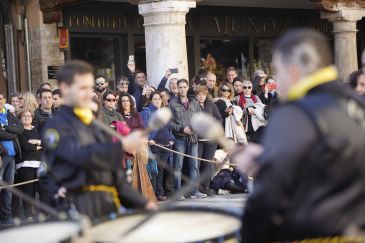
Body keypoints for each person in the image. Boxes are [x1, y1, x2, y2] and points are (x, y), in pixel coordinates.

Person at [236, 29, 365, 243]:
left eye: (278, 71)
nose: (277, 80)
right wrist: (267, 158)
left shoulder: (296, 113)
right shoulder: (358, 105)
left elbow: (269, 197)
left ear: (293, 71)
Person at [42, 60, 155, 221]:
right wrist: (122, 145)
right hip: (76, 211)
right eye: (83, 88)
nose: (89, 93)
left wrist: (143, 204)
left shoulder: (95, 125)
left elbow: (117, 178)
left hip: (109, 209)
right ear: (65, 88)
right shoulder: (55, 126)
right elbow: (77, 157)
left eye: (90, 87)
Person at [169, 79, 206, 200]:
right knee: (178, 166)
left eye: (184, 87)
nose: (182, 89)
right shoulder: (173, 103)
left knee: (194, 165)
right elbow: (169, 122)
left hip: (193, 138)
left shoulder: (194, 102)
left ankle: (195, 191)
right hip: (180, 138)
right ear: (177, 89)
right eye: (180, 87)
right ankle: (178, 192)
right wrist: (181, 129)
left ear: (188, 87)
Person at [141, 92, 175, 201]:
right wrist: (148, 139)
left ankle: (160, 193)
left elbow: (169, 129)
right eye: (154, 99)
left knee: (161, 170)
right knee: (154, 170)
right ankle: (153, 193)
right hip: (154, 144)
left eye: (159, 99)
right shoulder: (147, 112)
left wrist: (171, 140)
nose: (157, 101)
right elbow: (145, 128)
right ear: (150, 100)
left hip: (166, 145)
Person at [0, 93, 23, 226]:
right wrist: (12, 135)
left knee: (9, 189)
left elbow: (19, 129)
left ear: (4, 100)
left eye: (1, 99)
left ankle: (7, 218)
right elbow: (0, 133)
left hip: (12, 157)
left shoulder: (8, 113)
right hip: (1, 157)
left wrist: (7, 128)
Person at [15, 109, 42, 220]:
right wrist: (38, 146)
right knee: (28, 189)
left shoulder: (36, 129)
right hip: (25, 164)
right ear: (20, 118)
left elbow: (45, 142)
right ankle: (28, 214)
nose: (27, 117)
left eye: (29, 116)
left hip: (39, 163)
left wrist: (37, 142)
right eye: (24, 116)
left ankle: (43, 212)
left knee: (40, 189)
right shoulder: (20, 130)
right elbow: (25, 147)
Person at [195, 86, 222, 195]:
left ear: (206, 95)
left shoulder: (211, 105)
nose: (201, 96)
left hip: (211, 138)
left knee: (207, 163)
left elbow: (219, 119)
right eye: (199, 94)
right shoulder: (193, 105)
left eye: (203, 94)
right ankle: (196, 188)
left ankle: (205, 187)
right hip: (198, 138)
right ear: (196, 95)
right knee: (197, 162)